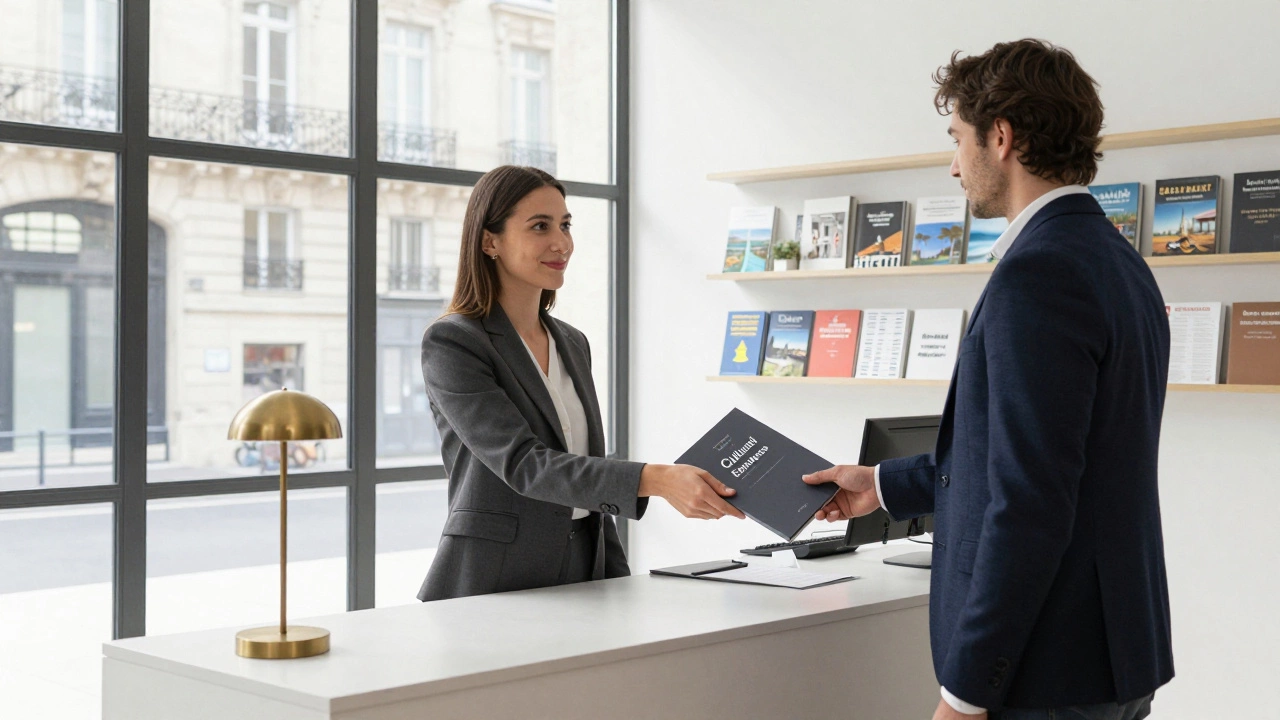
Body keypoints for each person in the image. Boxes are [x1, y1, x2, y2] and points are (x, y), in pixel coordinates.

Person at [803, 40, 1172, 720]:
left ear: (1000, 137)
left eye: (958, 139)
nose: (953, 164)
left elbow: (1029, 500)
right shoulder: (1121, 263)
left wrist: (967, 692)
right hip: (1111, 655)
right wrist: (880, 485)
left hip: (1046, 673)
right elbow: (1045, 461)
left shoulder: (1039, 274)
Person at [418, 165, 743, 602]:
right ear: (489, 240)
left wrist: (616, 574)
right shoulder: (454, 342)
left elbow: (582, 465)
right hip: (494, 576)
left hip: (587, 566)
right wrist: (658, 479)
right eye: (540, 226)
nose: (562, 243)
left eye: (565, 225)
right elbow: (525, 465)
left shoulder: (572, 342)